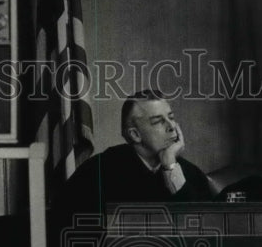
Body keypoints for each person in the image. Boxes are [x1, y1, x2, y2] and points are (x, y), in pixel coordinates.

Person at [55, 89, 214, 220]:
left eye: (171, 118)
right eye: (158, 121)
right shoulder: (97, 172)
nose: (171, 126)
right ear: (135, 135)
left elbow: (206, 228)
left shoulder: (189, 172)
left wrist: (170, 167)